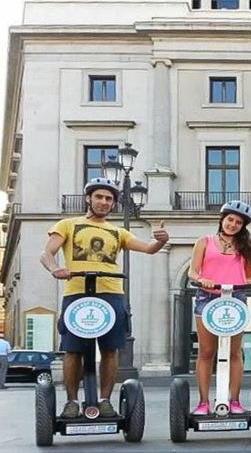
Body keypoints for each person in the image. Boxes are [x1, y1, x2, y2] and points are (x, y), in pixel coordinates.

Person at [40, 178, 169, 419]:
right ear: (89, 198)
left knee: (110, 349)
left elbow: (149, 248)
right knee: (72, 350)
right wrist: (55, 268)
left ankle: (105, 400)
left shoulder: (118, 232)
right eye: (99, 197)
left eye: (109, 199)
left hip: (111, 293)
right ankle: (71, 401)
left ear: (113, 204)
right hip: (77, 292)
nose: (103, 202)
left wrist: (160, 240)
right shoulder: (67, 225)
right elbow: (46, 253)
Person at [188, 201, 251, 416]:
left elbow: (249, 275)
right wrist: (202, 279)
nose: (233, 224)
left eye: (238, 222)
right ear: (222, 219)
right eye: (230, 219)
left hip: (235, 298)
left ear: (243, 226)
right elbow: (192, 271)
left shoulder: (246, 248)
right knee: (206, 352)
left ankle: (235, 401)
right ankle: (203, 402)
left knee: (234, 352)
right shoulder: (204, 242)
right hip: (207, 297)